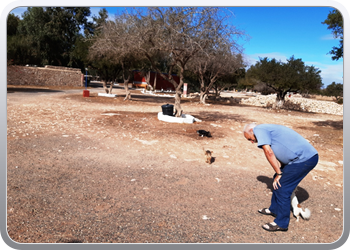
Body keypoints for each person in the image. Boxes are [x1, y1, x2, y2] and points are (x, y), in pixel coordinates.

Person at [243, 123, 319, 232]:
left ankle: (281, 223)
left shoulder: (258, 129)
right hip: (298, 159)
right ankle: (274, 209)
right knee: (277, 180)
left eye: (250, 138)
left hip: (305, 159)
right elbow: (281, 149)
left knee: (282, 188)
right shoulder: (265, 129)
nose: (252, 142)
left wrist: (279, 173)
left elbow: (269, 152)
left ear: (251, 130)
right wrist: (279, 172)